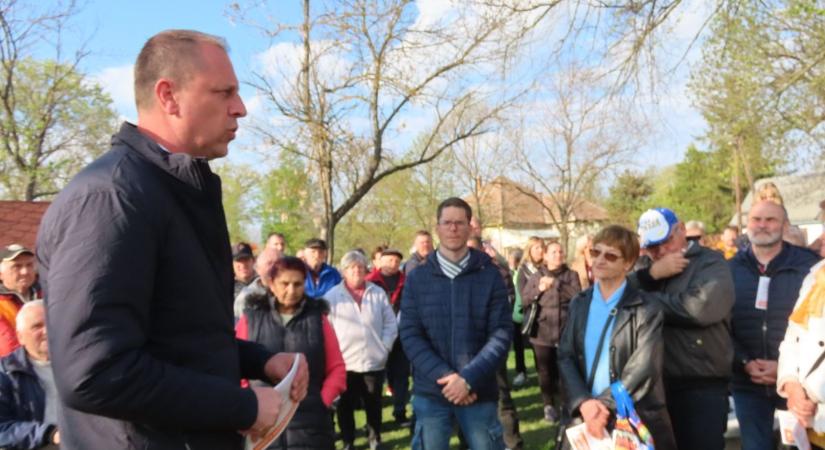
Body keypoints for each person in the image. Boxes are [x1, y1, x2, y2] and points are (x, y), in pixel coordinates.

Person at [35, 30, 308, 449]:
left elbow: (178, 341)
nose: (240, 108)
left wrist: (261, 361)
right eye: (224, 92)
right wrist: (241, 407)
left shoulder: (168, 192)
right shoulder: (111, 198)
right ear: (169, 96)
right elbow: (95, 371)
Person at [400, 197, 511, 450]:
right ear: (437, 228)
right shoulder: (417, 278)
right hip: (432, 391)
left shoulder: (490, 276)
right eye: (447, 222)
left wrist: (467, 379)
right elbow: (410, 334)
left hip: (478, 390)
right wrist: (447, 377)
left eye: (460, 223)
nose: (453, 228)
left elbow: (501, 334)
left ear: (470, 228)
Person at [558, 225, 675, 449]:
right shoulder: (579, 303)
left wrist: (601, 405)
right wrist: (584, 403)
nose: (600, 260)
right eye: (595, 252)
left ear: (628, 263)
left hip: (628, 417)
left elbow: (644, 367)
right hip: (585, 416)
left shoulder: (646, 308)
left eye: (610, 255)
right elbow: (565, 356)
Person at [633, 207, 735, 450]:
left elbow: (698, 309)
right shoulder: (645, 267)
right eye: (652, 247)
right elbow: (613, 296)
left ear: (681, 230)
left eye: (666, 241)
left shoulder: (710, 262)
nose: (660, 252)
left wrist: (642, 301)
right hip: (655, 385)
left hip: (701, 384)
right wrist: (650, 275)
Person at [730, 201, 819, 450]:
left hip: (799, 386)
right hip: (748, 381)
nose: (762, 225)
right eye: (756, 219)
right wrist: (744, 361)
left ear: (785, 225)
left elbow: (813, 328)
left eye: (770, 220)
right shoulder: (729, 269)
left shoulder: (809, 267)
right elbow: (721, 326)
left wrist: (785, 370)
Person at [236, 256, 347, 449]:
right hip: (263, 426)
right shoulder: (251, 319)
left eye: (297, 284)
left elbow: (337, 368)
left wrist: (322, 401)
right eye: (285, 283)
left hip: (311, 427)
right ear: (272, 284)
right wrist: (250, 404)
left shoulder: (318, 319)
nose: (291, 290)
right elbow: (236, 365)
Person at [325, 251, 397, 450]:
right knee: (345, 406)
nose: (356, 271)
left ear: (366, 270)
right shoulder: (331, 297)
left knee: (373, 404)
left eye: (360, 267)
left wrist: (384, 348)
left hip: (373, 361)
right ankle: (348, 441)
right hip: (344, 364)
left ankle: (375, 439)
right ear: (344, 271)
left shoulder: (378, 293)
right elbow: (326, 330)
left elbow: (390, 324)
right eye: (351, 268)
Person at [467, 237, 524, 450]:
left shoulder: (496, 274)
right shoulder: (452, 277)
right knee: (467, 401)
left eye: (472, 249)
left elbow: (504, 309)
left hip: (491, 347)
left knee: (501, 397)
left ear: (482, 251)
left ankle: (512, 443)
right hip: (464, 350)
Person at [521, 240, 581, 422]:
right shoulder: (537, 276)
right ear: (545, 256)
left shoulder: (571, 275)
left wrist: (556, 284)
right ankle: (548, 404)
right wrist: (539, 289)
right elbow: (524, 300)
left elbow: (577, 296)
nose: (558, 255)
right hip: (542, 331)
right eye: (553, 252)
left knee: (565, 370)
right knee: (545, 370)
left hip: (565, 330)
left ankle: (565, 404)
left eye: (560, 251)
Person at [776, 260, 825, 447]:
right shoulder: (815, 274)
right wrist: (791, 384)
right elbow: (793, 336)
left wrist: (812, 394)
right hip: (812, 425)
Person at [0, 301, 60, 449]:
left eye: (50, 324)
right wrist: (49, 433)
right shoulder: (6, 372)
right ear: (20, 337)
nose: (46, 331)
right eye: (37, 327)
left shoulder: (79, 362)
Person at [365, 248, 411, 425]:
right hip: (376, 336)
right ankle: (373, 420)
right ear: (380, 262)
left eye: (396, 261)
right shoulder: (370, 282)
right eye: (389, 260)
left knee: (401, 375)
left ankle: (400, 412)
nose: (393, 264)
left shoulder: (406, 282)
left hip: (401, 336)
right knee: (374, 379)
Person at [514, 236, 545, 388]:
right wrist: (540, 290)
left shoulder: (547, 268)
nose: (540, 251)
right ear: (529, 251)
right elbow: (523, 294)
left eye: (542, 247)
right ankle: (522, 372)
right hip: (526, 314)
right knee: (523, 346)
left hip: (545, 314)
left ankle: (544, 377)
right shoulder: (523, 270)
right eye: (536, 248)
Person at [0, 244, 40, 356]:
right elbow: (8, 348)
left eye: (29, 265)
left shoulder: (48, 294)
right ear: (1, 274)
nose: (25, 271)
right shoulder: (2, 305)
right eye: (16, 266)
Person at [234, 247, 283, 321]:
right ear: (258, 268)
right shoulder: (245, 297)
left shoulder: (294, 291)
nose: (274, 267)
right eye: (269, 263)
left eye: (278, 262)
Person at [507, 248, 528, 389]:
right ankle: (521, 371)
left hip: (521, 314)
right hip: (516, 315)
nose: (509, 262)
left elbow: (520, 295)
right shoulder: (514, 272)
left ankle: (522, 372)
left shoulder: (521, 272)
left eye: (511, 259)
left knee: (523, 345)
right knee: (518, 345)